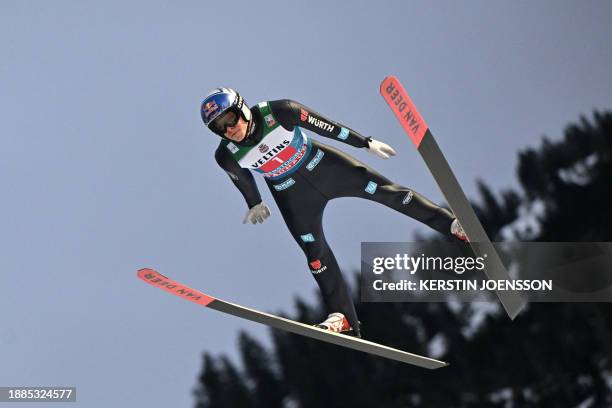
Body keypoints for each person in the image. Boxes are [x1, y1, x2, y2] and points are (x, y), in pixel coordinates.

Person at [201, 88, 467, 338]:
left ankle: (452, 226)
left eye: (230, 119)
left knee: (390, 193)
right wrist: (254, 203)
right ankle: (343, 317)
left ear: (242, 109)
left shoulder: (279, 111)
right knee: (315, 254)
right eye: (219, 127)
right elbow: (242, 179)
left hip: (328, 168)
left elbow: (327, 127)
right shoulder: (226, 155)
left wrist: (364, 142)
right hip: (292, 195)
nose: (229, 129)